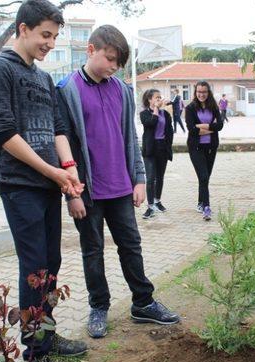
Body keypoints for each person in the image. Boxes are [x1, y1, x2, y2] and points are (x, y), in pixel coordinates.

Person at [0, 0, 88, 362]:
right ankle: (34, 355)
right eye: (45, 35)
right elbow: (4, 132)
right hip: (19, 184)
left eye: (55, 37)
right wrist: (52, 172)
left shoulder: (43, 79)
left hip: (48, 185)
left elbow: (59, 129)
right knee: (34, 269)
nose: (49, 43)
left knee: (52, 263)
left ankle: (48, 335)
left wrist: (68, 175)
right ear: (22, 29)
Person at [55, 25, 180, 340]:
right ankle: (99, 306)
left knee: (131, 246)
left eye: (118, 62)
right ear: (91, 49)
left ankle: (143, 302)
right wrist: (71, 193)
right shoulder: (66, 89)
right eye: (109, 59)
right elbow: (62, 143)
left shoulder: (122, 90)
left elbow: (130, 139)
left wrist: (139, 179)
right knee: (92, 250)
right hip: (87, 190)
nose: (112, 66)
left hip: (121, 187)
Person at [185, 80, 224, 221]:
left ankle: (200, 202)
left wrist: (202, 127)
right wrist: (210, 128)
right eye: (199, 92)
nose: (201, 94)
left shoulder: (214, 107)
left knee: (205, 177)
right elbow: (192, 130)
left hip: (211, 147)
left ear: (208, 92)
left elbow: (219, 126)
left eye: (204, 92)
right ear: (195, 92)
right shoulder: (190, 108)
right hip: (196, 147)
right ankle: (206, 207)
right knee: (203, 177)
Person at [139, 88, 174, 220]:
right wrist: (155, 110)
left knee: (160, 177)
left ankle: (157, 201)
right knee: (150, 178)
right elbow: (151, 123)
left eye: (160, 97)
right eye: (156, 98)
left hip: (162, 149)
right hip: (150, 149)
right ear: (149, 100)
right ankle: (150, 206)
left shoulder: (166, 114)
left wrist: (168, 145)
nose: (159, 99)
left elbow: (170, 131)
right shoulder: (144, 114)